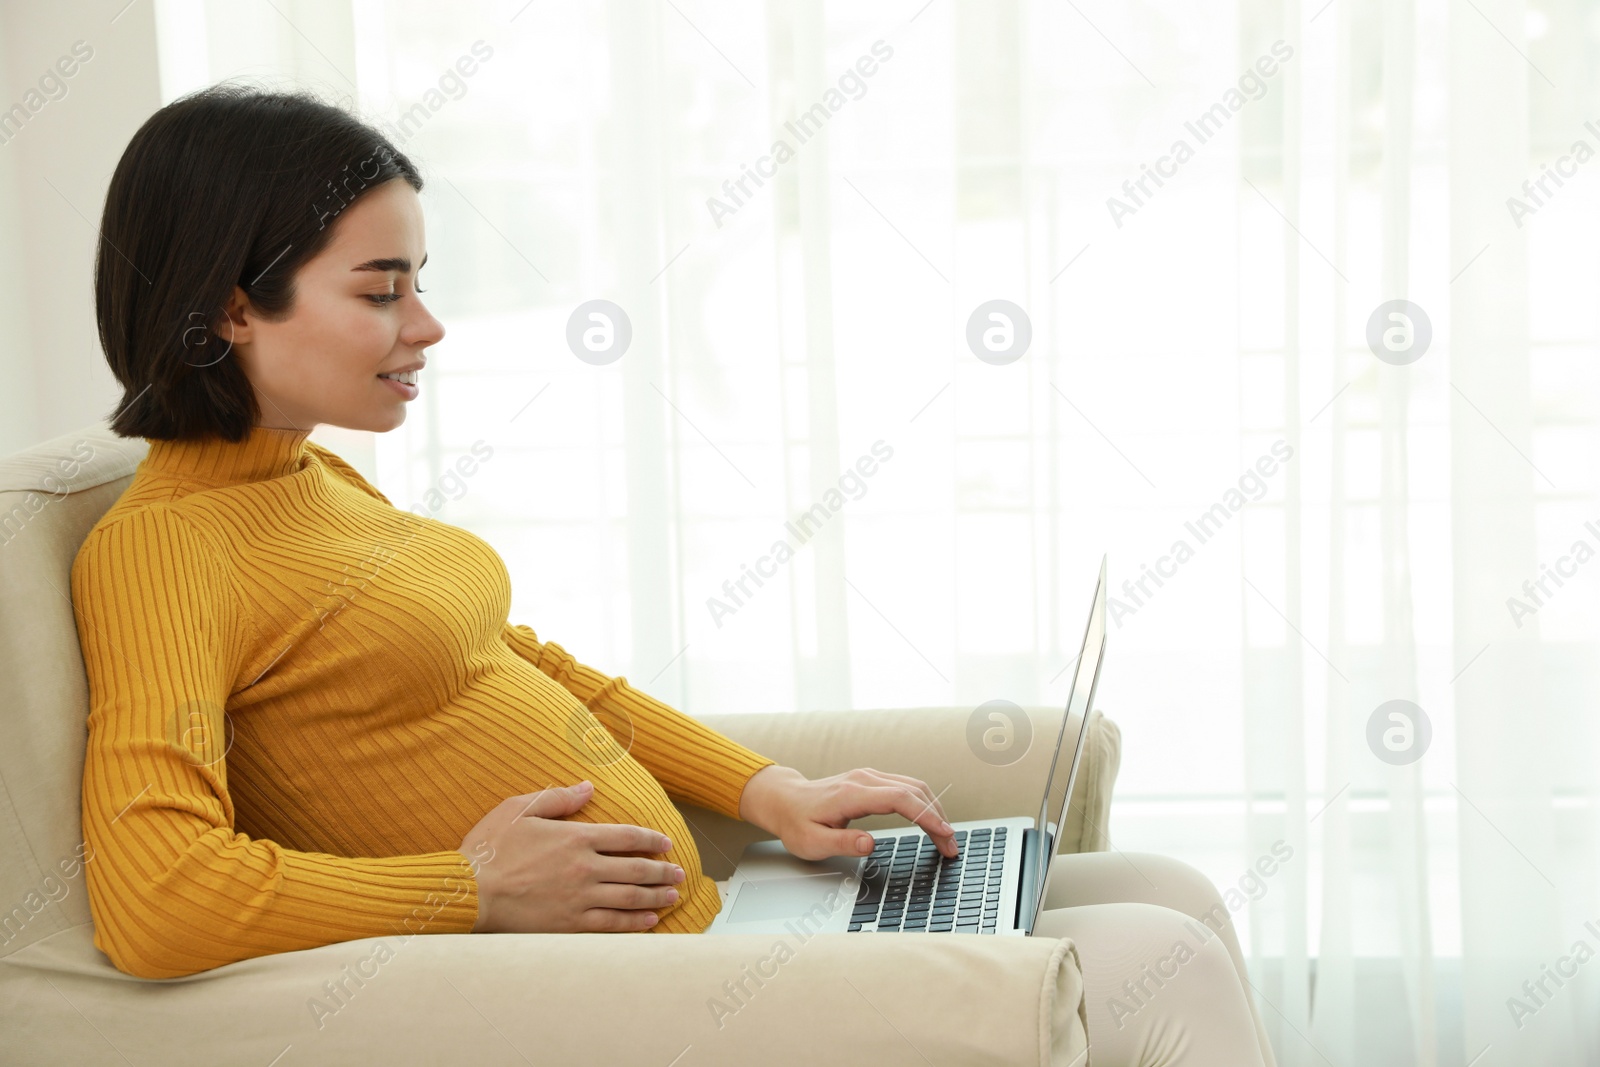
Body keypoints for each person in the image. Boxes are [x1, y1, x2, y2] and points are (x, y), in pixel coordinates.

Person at [73, 83, 1275, 1065]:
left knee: (1166, 890)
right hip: (636, 994)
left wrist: (768, 791)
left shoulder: (308, 479)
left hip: (705, 920)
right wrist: (470, 886)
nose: (428, 325)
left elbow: (532, 668)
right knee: (1148, 969)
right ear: (231, 309)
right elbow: (158, 896)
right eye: (383, 290)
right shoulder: (164, 550)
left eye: (420, 281)